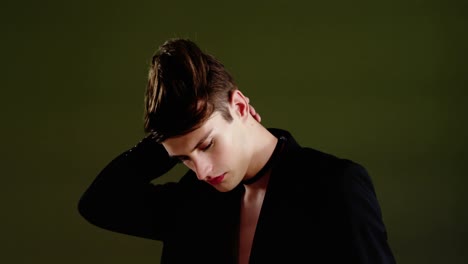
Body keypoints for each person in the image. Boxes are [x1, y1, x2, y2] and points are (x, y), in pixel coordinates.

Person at [78, 38, 396, 264]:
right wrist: (169, 142)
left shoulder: (333, 186)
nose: (201, 171)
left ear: (240, 106)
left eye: (207, 144)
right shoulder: (193, 200)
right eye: (183, 159)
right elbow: (100, 203)